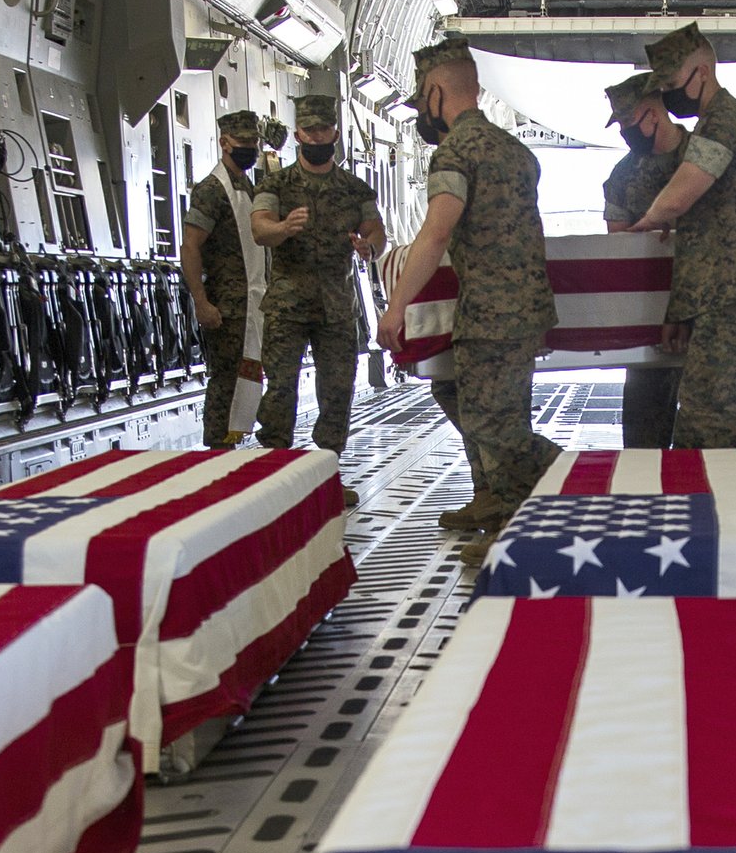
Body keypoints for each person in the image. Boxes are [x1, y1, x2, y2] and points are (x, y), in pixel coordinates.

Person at [377, 39, 559, 539]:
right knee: (467, 395)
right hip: (525, 309)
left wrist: (396, 307)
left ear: (437, 92)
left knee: (494, 424)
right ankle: (490, 497)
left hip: (492, 312)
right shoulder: (516, 152)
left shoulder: (456, 154)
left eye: (421, 100)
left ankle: (565, 483)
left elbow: (435, 234)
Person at [628, 22, 736, 450]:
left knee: (702, 421)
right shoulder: (711, 124)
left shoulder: (727, 121)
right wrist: (683, 308)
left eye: (672, 83)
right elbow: (702, 239)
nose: (668, 94)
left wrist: (646, 221)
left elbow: (680, 199)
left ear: (702, 71)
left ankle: (692, 513)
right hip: (723, 296)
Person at [251, 93, 384, 454]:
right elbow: (260, 229)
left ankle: (327, 469)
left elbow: (377, 231)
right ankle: (276, 465)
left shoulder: (356, 190)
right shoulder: (273, 186)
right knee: (280, 387)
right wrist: (284, 228)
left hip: (337, 306)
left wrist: (368, 247)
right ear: (297, 135)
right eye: (309, 130)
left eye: (323, 129)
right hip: (287, 305)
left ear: (335, 134)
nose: (316, 137)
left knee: (338, 390)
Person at [602, 71, 682, 449]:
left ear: (653, 113)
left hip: (706, 310)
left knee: (712, 426)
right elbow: (617, 244)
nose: (624, 133)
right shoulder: (622, 176)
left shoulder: (702, 157)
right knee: (643, 429)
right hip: (649, 318)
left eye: (628, 122)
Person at [180, 109, 264, 448]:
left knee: (248, 376)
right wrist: (201, 302)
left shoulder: (249, 186)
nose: (249, 147)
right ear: (224, 143)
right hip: (226, 306)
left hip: (252, 304)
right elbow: (189, 247)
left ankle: (236, 442)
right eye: (242, 142)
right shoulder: (211, 191)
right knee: (226, 380)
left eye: (253, 142)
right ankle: (218, 447)